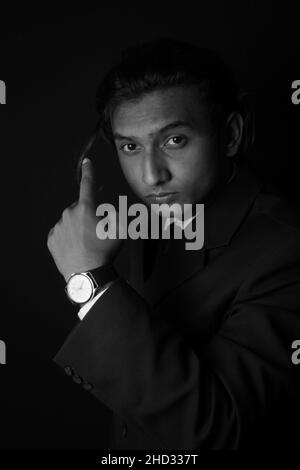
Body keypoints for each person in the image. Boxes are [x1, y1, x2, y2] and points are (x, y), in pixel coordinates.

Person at [47, 38, 300, 449]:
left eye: (174, 140)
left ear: (231, 135)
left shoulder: (287, 249)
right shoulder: (146, 221)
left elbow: (219, 431)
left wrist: (89, 282)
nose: (150, 176)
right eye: (131, 146)